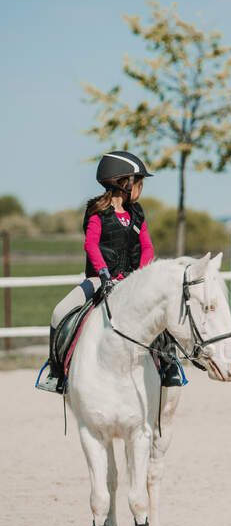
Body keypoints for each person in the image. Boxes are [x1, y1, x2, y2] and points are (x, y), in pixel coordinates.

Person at [37, 150, 182, 393]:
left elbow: (147, 247)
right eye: (139, 182)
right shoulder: (97, 211)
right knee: (59, 312)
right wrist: (104, 275)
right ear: (123, 182)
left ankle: (170, 366)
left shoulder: (137, 212)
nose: (141, 187)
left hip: (132, 281)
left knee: (160, 313)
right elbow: (91, 245)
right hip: (99, 280)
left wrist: (141, 276)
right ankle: (56, 372)